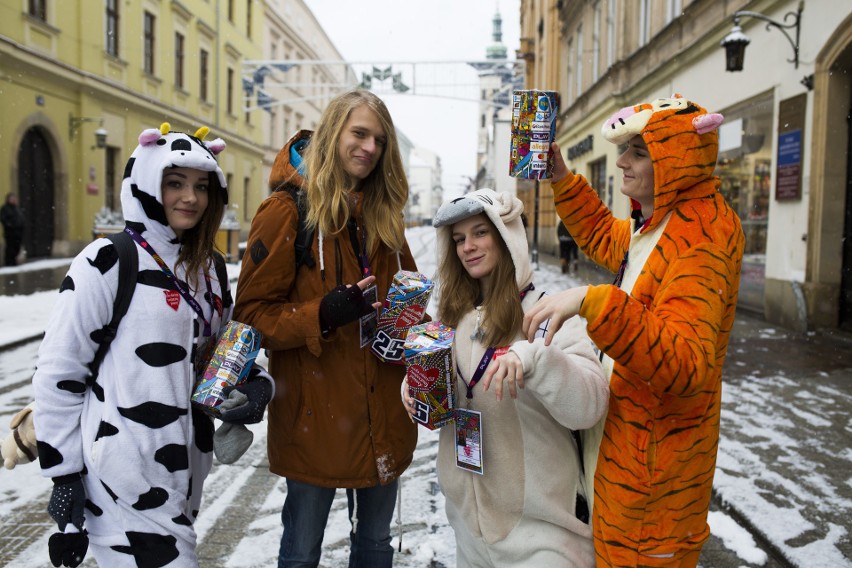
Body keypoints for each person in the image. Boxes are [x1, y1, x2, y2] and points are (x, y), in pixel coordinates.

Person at [33, 124, 273, 567]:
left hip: (186, 470)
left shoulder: (210, 268)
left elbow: (217, 353)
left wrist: (256, 385)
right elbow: (58, 372)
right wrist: (63, 473)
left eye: (202, 186)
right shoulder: (106, 260)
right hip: (121, 471)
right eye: (174, 183)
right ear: (145, 184)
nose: (191, 197)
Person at [523, 94, 745, 566]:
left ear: (676, 158)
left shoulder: (701, 236)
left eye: (638, 152)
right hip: (629, 465)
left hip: (654, 492)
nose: (621, 161)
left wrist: (593, 302)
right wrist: (562, 177)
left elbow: (685, 364)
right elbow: (606, 236)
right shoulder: (663, 222)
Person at [233, 89, 420, 568]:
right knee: (302, 552)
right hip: (314, 416)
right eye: (359, 133)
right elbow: (251, 315)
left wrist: (411, 321)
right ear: (334, 132)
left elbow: (408, 297)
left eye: (380, 139)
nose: (370, 148)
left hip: (382, 415)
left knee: (376, 547)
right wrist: (321, 314)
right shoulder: (287, 211)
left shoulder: (385, 217)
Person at [402, 188, 609, 567]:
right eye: (459, 239)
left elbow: (590, 405)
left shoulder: (549, 313)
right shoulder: (450, 318)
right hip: (469, 531)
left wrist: (536, 360)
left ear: (506, 236)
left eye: (480, 233)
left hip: (543, 539)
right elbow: (444, 385)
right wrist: (415, 387)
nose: (468, 247)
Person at [1, 192, 25, 266]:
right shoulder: (5, 208)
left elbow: (21, 218)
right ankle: (9, 262)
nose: (14, 200)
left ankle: (13, 261)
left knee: (16, 247)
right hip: (10, 233)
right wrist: (11, 225)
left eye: (14, 198)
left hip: (18, 232)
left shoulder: (16, 208)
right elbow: (3, 219)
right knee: (10, 248)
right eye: (12, 198)